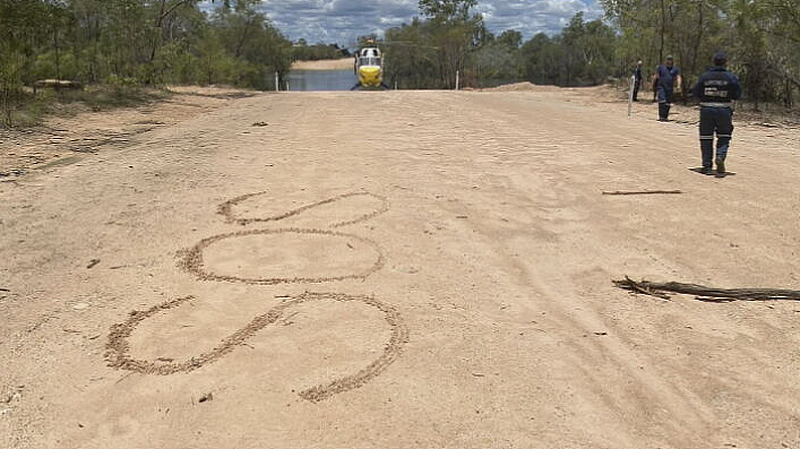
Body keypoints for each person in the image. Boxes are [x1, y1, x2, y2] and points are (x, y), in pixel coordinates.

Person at [691, 52, 742, 176]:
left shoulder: (705, 76)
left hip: (706, 110)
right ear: (725, 63)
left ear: (713, 62)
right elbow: (738, 94)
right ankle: (720, 156)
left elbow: (696, 92)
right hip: (724, 110)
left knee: (706, 138)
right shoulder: (731, 77)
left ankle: (707, 166)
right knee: (724, 136)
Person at [653, 56, 682, 121]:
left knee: (668, 103)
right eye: (668, 60)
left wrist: (678, 85)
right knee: (662, 101)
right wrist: (654, 84)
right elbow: (656, 76)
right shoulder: (661, 68)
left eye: (670, 60)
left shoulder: (675, 69)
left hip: (669, 88)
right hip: (661, 87)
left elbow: (678, 77)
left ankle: (665, 116)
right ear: (665, 61)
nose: (669, 61)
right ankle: (661, 116)